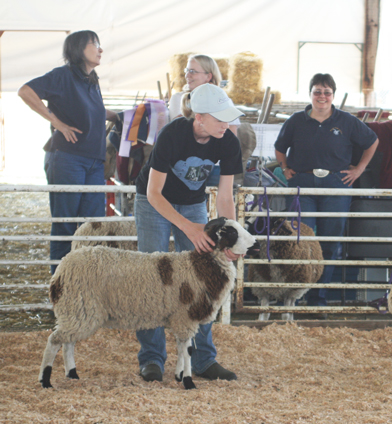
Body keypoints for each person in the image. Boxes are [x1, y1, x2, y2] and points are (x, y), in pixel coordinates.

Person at [134, 83, 245, 382]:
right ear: (200, 117)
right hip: (153, 203)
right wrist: (190, 228)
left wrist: (230, 238)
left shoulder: (228, 141)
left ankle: (203, 359)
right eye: (220, 118)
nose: (226, 124)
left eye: (228, 117)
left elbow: (225, 197)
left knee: (204, 273)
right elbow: (154, 193)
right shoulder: (172, 135)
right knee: (153, 274)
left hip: (194, 202)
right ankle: (152, 357)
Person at [274, 73, 379, 315]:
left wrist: (359, 169)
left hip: (335, 184)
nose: (322, 96)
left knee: (330, 243)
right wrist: (284, 168)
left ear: (333, 95)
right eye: (317, 92)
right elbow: (280, 148)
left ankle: (317, 300)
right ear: (310, 94)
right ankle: (292, 299)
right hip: (302, 184)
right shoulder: (296, 120)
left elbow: (372, 141)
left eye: (327, 92)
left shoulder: (346, 121)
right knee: (299, 241)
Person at [18, 30, 117, 274]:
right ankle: (60, 285)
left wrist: (123, 116)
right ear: (78, 49)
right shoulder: (62, 75)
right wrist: (57, 123)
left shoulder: (91, 79)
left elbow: (94, 110)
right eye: (94, 44)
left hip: (94, 162)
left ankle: (85, 281)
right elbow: (26, 91)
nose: (100, 49)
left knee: (91, 226)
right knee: (65, 224)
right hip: (68, 158)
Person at [169, 54, 239, 186]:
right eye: (187, 70)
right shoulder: (178, 98)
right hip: (182, 166)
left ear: (208, 76)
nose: (187, 75)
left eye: (193, 71)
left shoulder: (223, 100)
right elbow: (179, 132)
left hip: (214, 166)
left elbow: (231, 135)